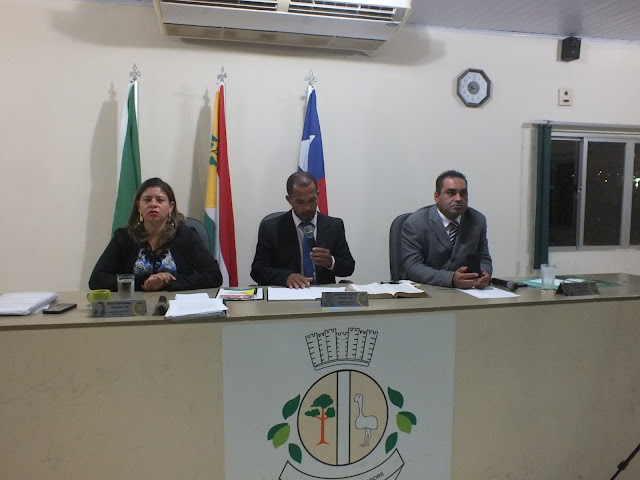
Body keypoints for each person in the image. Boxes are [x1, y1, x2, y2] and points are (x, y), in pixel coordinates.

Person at [89, 177, 222, 291]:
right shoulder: (125, 237)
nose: (153, 204)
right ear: (139, 206)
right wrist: (143, 282)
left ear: (170, 207)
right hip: (135, 307)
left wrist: (170, 282)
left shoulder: (186, 236)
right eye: (147, 200)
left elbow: (214, 275)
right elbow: (97, 280)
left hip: (177, 305)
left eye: (160, 200)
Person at [250, 172, 355, 288]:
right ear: (289, 200)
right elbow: (258, 270)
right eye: (300, 202)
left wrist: (331, 262)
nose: (307, 208)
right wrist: (286, 277)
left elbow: (349, 267)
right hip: (288, 293)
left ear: (318, 195)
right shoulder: (271, 228)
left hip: (323, 294)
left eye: (312, 200)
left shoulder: (334, 226)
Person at [401, 170, 492, 289]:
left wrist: (484, 274)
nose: (458, 198)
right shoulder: (415, 223)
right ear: (436, 197)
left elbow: (484, 259)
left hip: (467, 292)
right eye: (451, 193)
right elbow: (413, 267)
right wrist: (451, 278)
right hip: (428, 290)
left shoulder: (477, 220)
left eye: (463, 193)